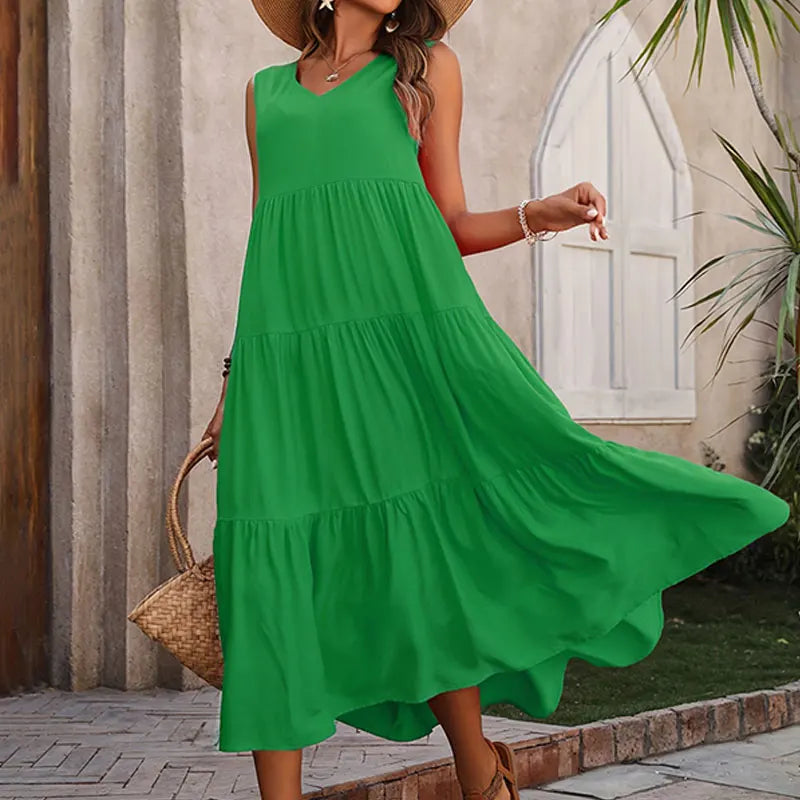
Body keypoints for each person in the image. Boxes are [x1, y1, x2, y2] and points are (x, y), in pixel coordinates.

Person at [201, 2, 791, 799]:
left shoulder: (425, 73)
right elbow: (265, 240)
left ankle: (477, 766)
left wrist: (535, 215)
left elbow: (446, 220)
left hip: (405, 350)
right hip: (290, 368)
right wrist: (239, 380)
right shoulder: (264, 92)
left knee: (420, 554)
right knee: (267, 564)